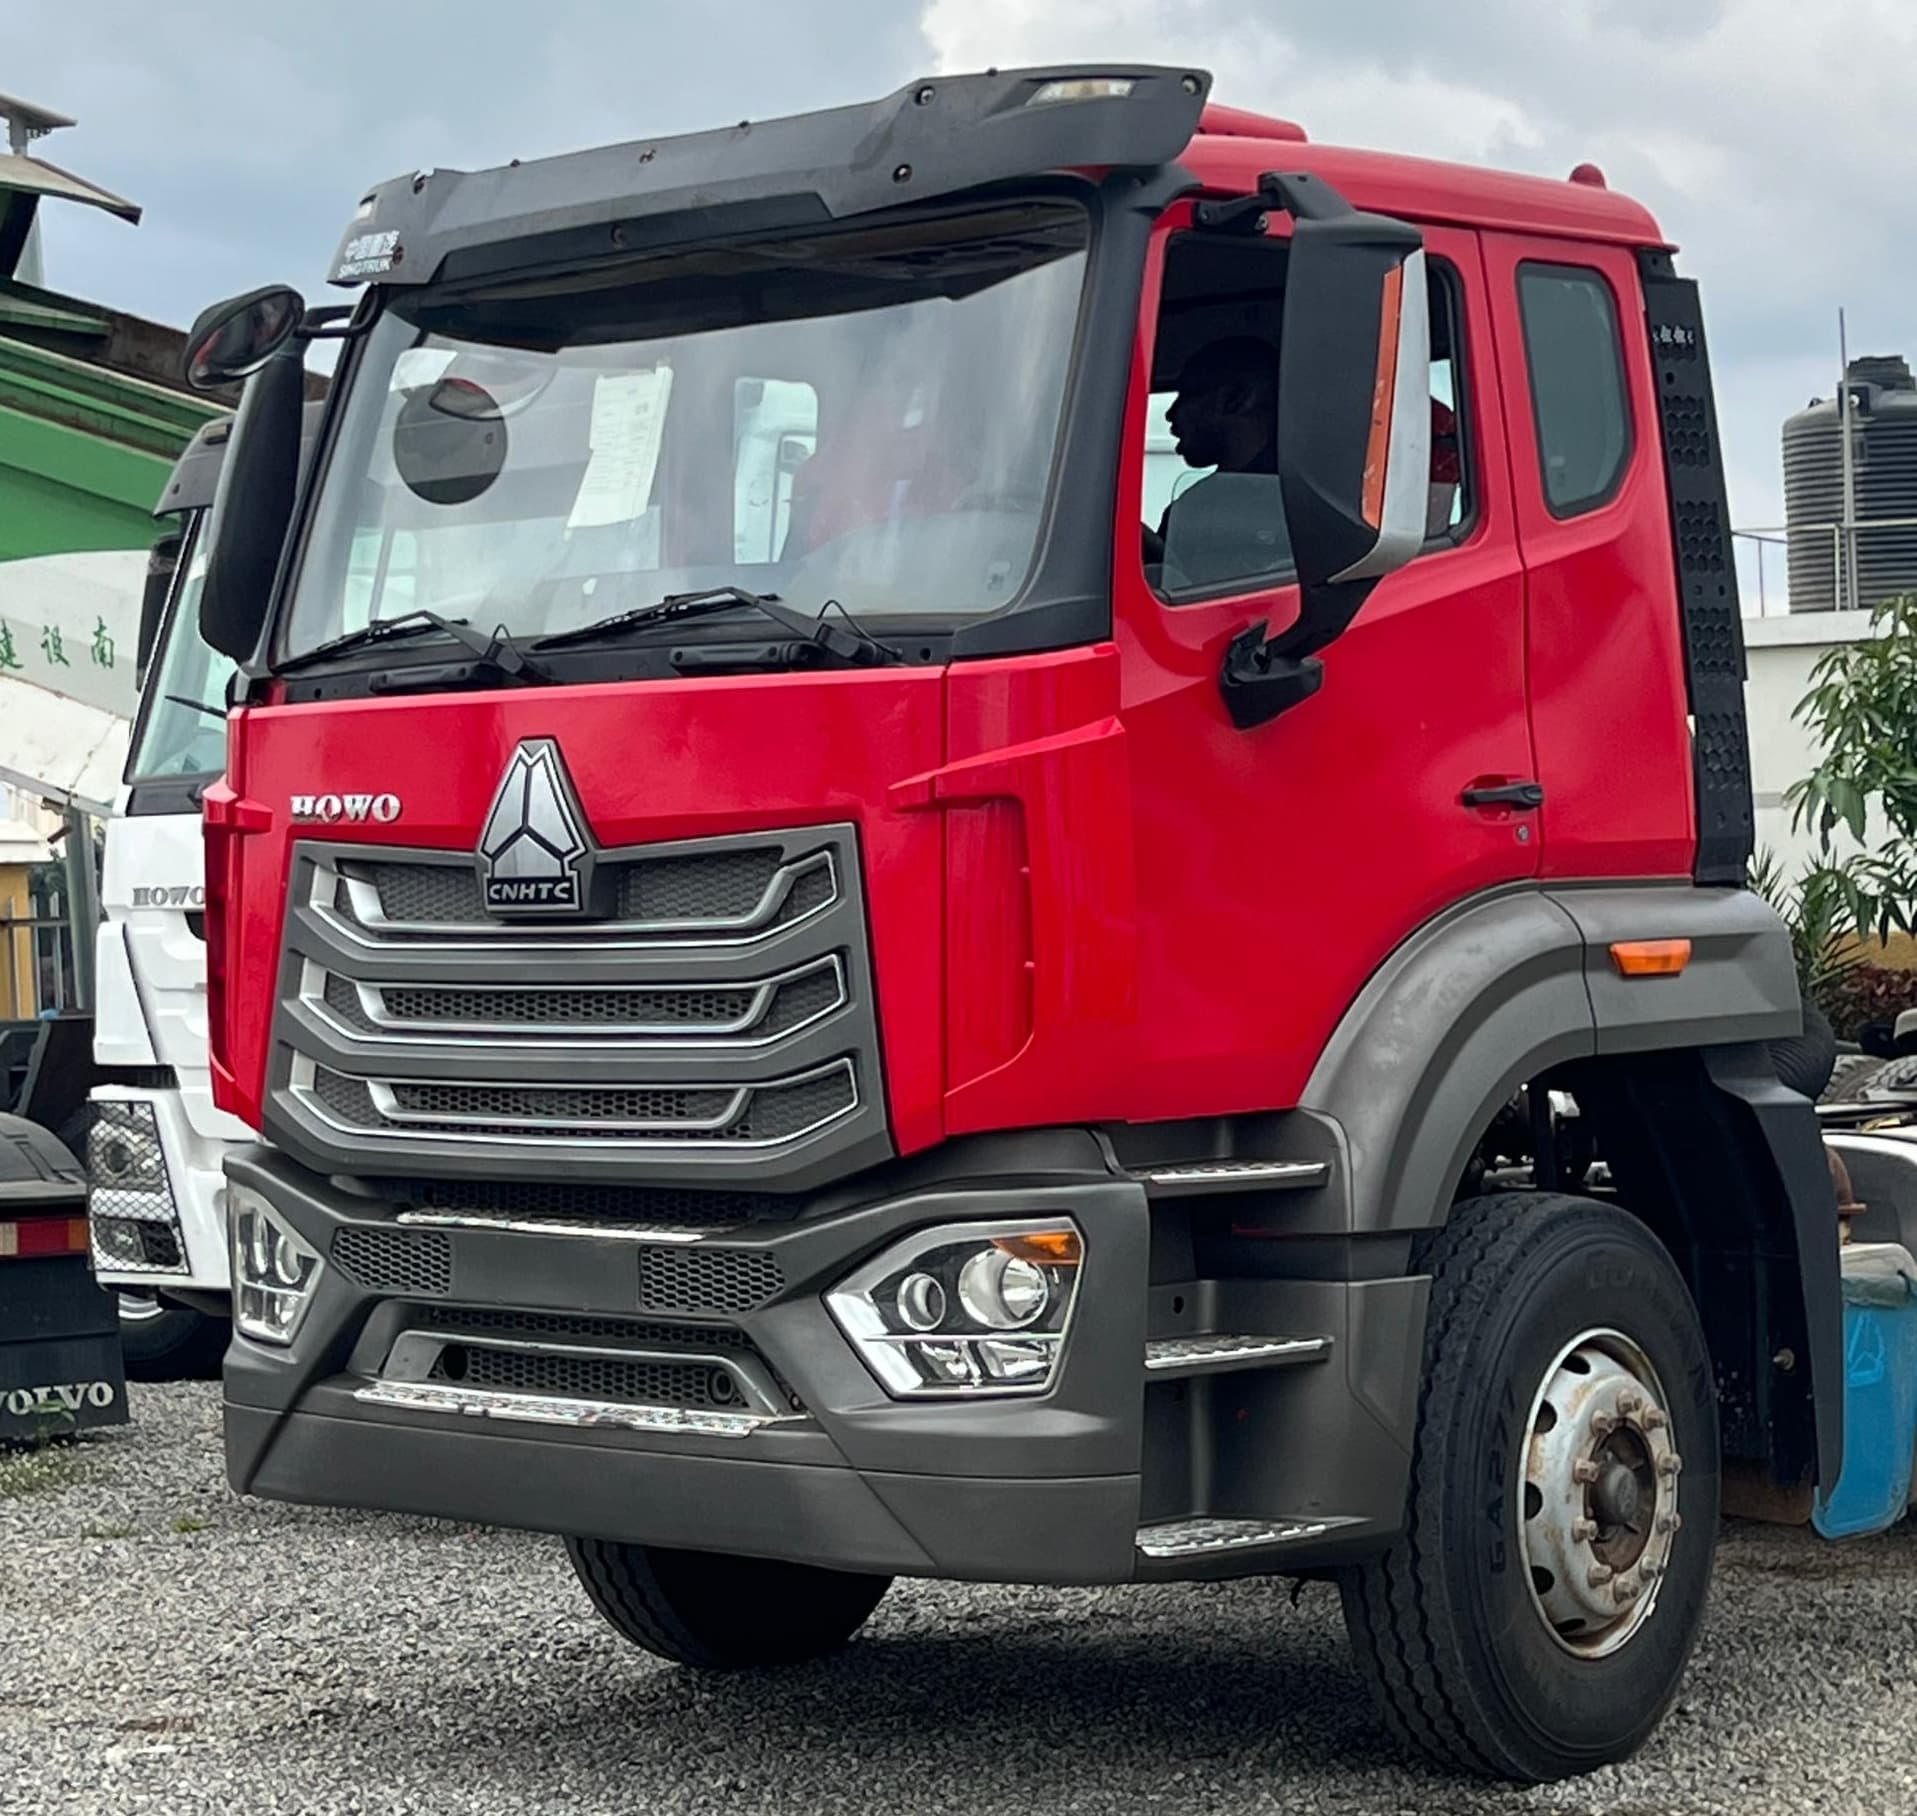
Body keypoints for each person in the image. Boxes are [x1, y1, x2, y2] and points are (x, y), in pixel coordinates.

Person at [1145, 336, 1290, 590]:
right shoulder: (1190, 506)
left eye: (1186, 396)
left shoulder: (1295, 501)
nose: (1170, 414)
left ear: (1235, 399)